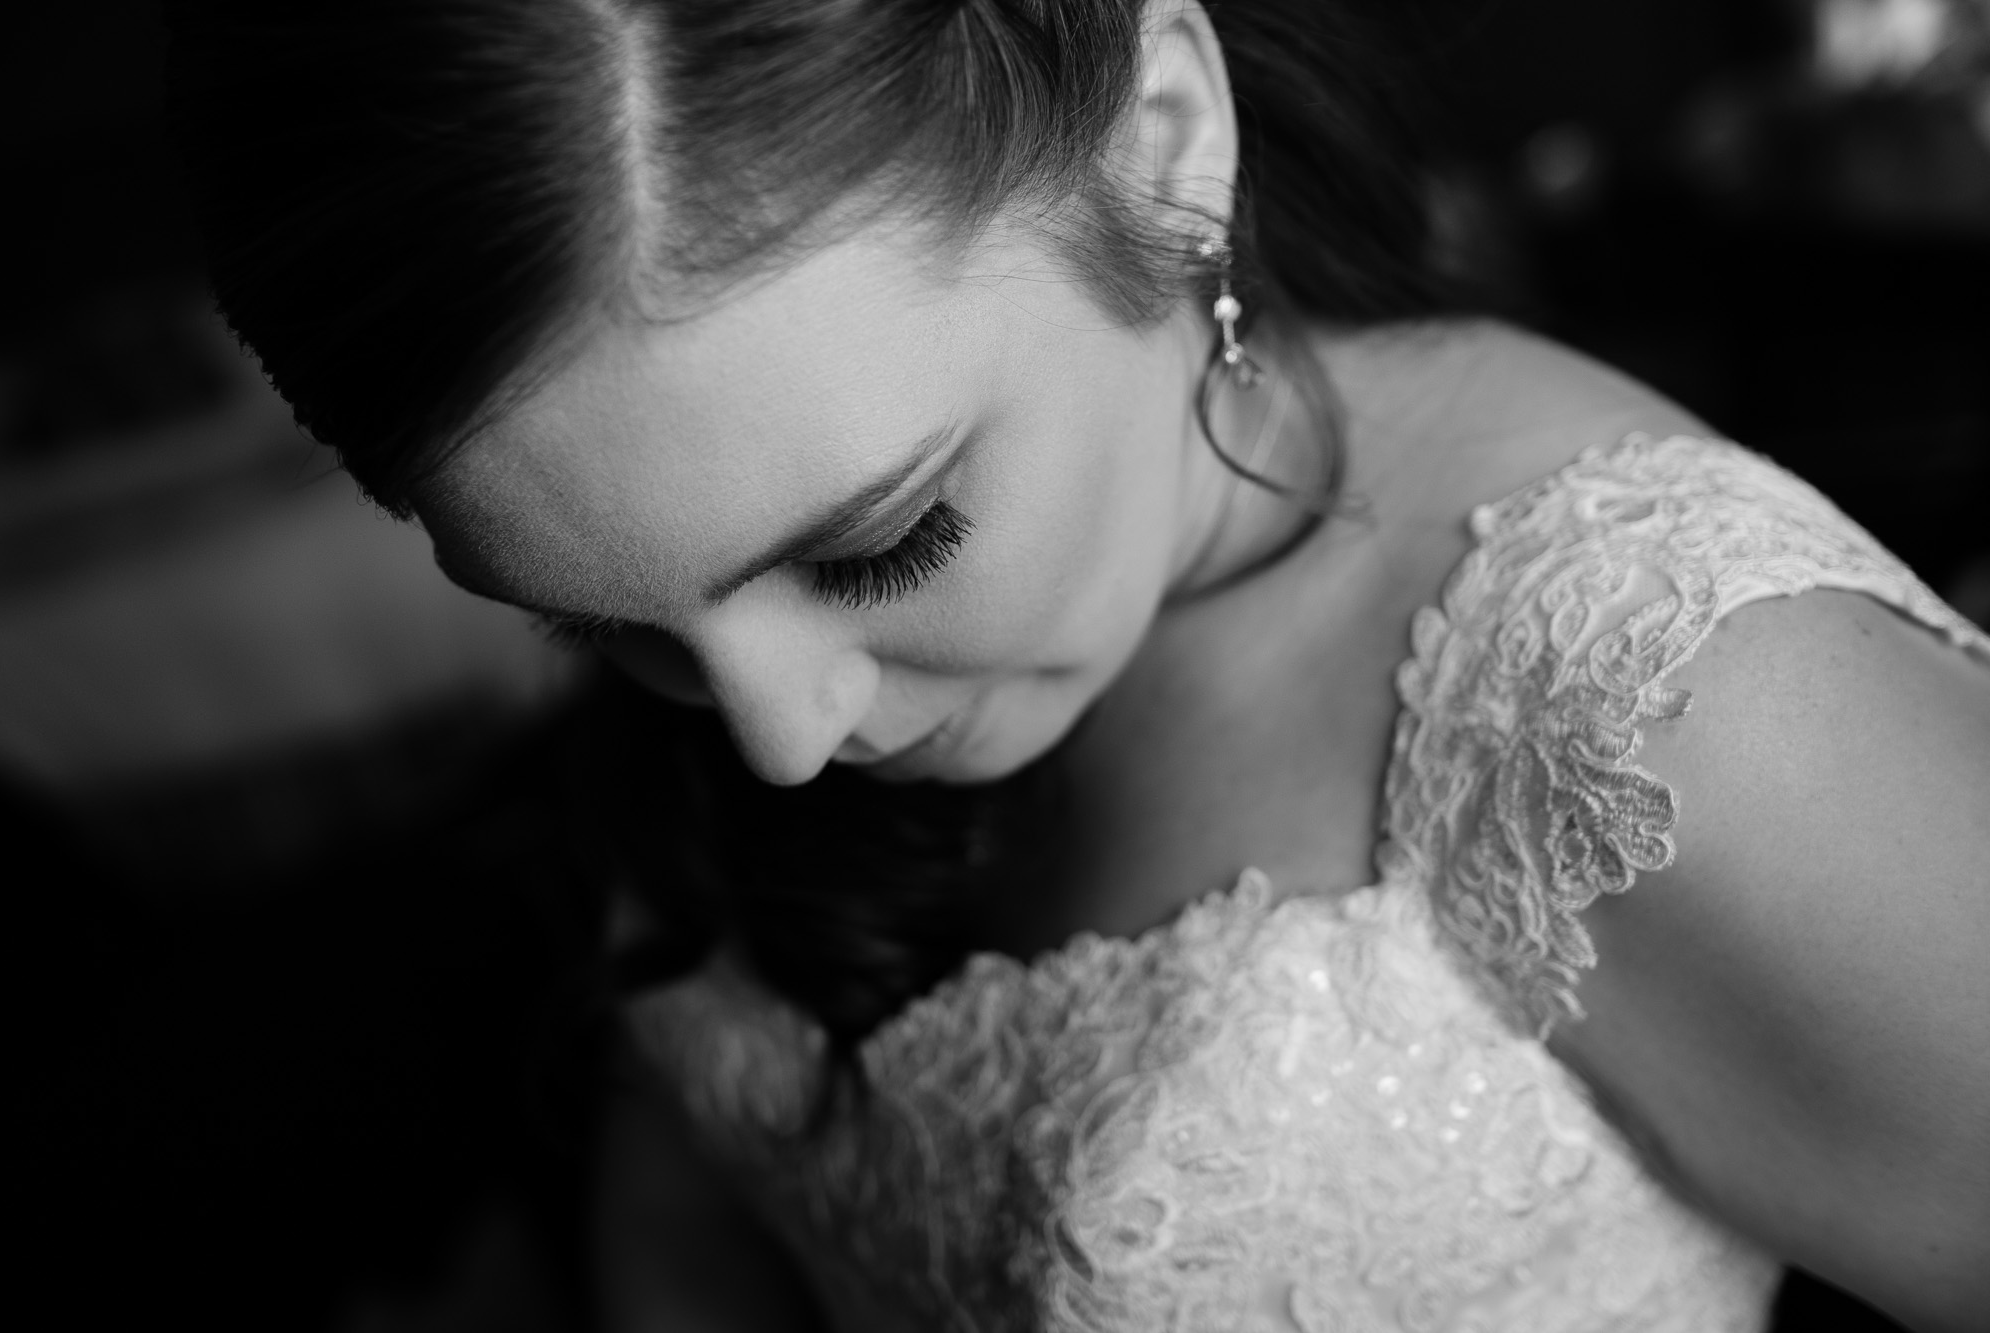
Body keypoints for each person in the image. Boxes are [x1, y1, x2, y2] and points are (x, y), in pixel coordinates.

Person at [163, 1, 1990, 1329]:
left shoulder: (1671, 717)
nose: (782, 741)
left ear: (1169, 133)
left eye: (883, 539)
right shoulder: (739, 607)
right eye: (603, 627)